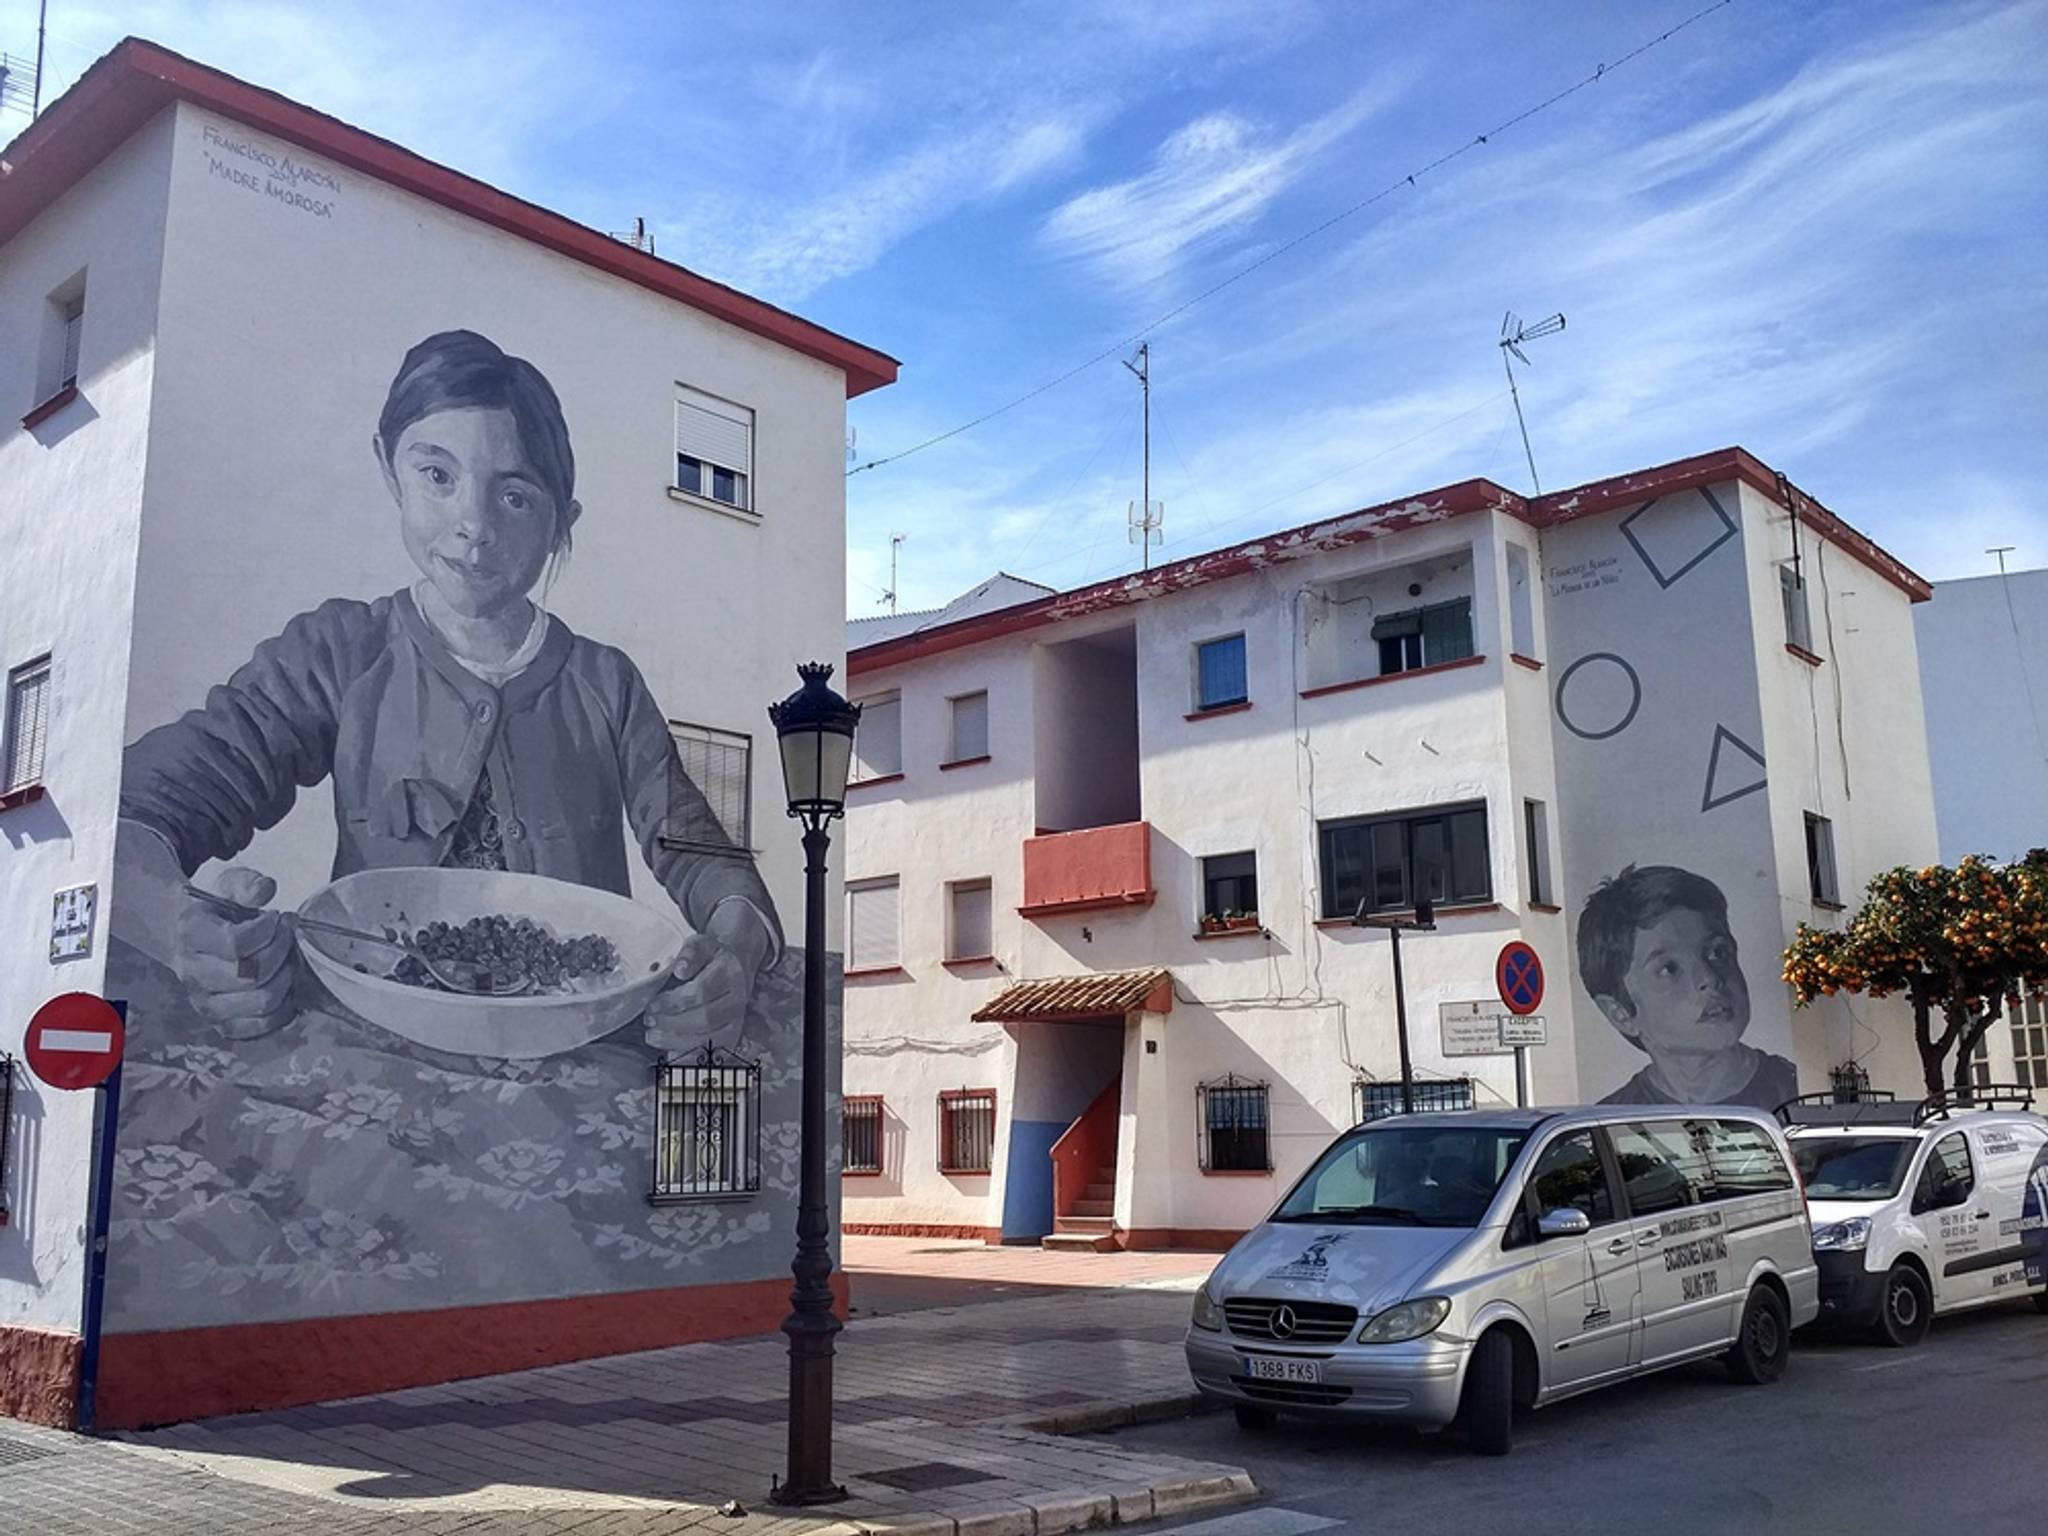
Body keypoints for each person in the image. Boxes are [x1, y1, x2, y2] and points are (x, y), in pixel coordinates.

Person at [114, 329, 777, 1046]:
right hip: (377, 1039)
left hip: (576, 1046)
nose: (473, 525)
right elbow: (135, 814)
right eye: (437, 475)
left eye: (516, 497)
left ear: (563, 525)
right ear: (388, 467)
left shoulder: (605, 683)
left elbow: (701, 853)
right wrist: (183, 931)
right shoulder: (338, 652)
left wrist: (733, 957)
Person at [1577, 863, 1796, 1111]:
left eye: (1717, 952)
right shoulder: (1611, 1121)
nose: (1709, 978)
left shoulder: (1793, 1089)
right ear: (1620, 1013)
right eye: (1669, 968)